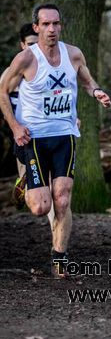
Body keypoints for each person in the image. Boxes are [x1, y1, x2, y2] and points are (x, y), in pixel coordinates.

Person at [0, 3, 111, 277]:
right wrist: (15, 127)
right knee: (41, 207)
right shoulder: (26, 59)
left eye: (56, 24)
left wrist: (97, 93)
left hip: (64, 135)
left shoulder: (73, 54)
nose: (52, 29)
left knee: (62, 200)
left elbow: (87, 81)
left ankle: (59, 258)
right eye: (46, 24)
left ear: (61, 26)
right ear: (36, 28)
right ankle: (29, 181)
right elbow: (2, 91)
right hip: (34, 138)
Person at [0, 23, 39, 204]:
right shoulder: (12, 72)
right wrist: (13, 126)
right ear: (22, 45)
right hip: (20, 131)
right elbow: (2, 96)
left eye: (38, 44)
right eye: (31, 44)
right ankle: (24, 185)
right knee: (27, 173)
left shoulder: (47, 69)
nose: (35, 49)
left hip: (44, 127)